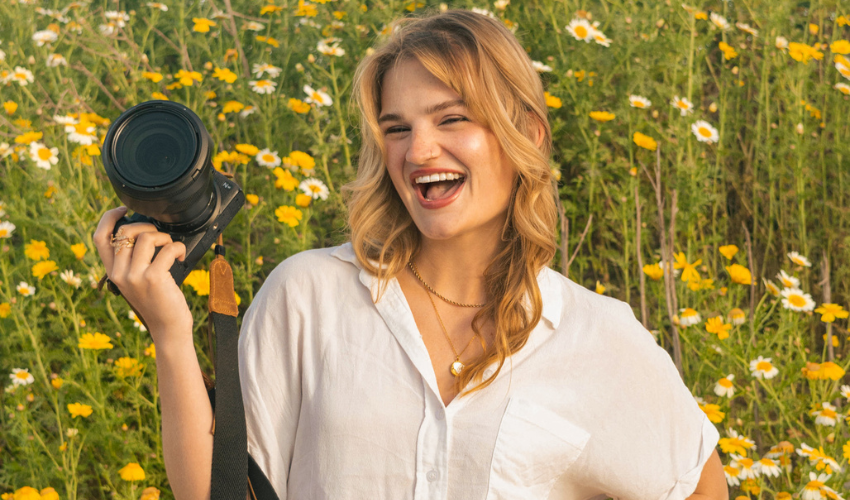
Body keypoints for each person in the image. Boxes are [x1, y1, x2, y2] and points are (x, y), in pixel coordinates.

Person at [93, 9, 729, 500]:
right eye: (397, 127)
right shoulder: (308, 296)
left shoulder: (601, 337)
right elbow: (218, 491)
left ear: (524, 134)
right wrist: (171, 333)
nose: (419, 150)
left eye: (451, 119)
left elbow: (701, 488)